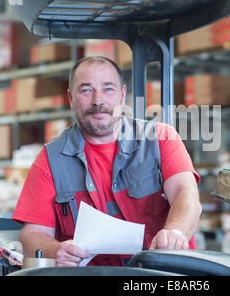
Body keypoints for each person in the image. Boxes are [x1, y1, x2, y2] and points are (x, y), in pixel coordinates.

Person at [12, 56, 202, 267]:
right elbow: (32, 235)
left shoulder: (161, 138)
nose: (98, 101)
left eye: (108, 89)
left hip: (161, 273)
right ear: (70, 98)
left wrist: (174, 231)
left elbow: (187, 195)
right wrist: (57, 251)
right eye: (86, 90)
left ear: (122, 95)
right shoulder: (50, 160)